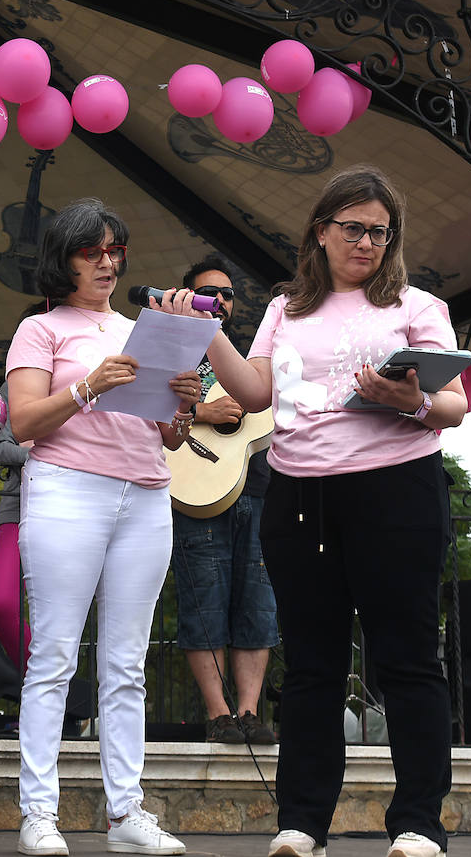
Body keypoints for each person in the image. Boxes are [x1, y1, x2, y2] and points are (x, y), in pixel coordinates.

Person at [159, 165, 466, 857]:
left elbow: (454, 404)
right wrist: (204, 329)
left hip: (396, 491)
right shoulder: (285, 308)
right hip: (298, 497)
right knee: (311, 667)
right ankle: (302, 822)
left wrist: (406, 401)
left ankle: (419, 822)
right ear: (321, 231)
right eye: (353, 228)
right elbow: (253, 390)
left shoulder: (415, 305)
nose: (366, 243)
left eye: (380, 232)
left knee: (409, 659)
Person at [6, 198, 199, 857]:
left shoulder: (142, 328)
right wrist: (89, 386)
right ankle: (38, 812)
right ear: (65, 258)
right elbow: (24, 422)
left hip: (146, 494)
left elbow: (168, 437)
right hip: (68, 488)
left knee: (126, 663)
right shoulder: (41, 329)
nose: (108, 261)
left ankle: (126, 814)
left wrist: (184, 407)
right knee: (54, 655)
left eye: (116, 249)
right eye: (93, 250)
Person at [170, 259, 279, 746]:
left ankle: (249, 712)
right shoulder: (175, 350)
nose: (221, 300)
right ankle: (217, 714)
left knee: (258, 604)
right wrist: (201, 410)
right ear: (188, 296)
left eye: (229, 294)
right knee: (203, 602)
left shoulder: (251, 356)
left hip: (257, 490)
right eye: (209, 292)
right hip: (197, 490)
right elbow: (146, 406)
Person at [0, 381, 31, 672]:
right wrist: (46, 459)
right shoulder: (16, 384)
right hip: (18, 504)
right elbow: (2, 446)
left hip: (78, 508)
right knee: (1, 602)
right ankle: (46, 688)